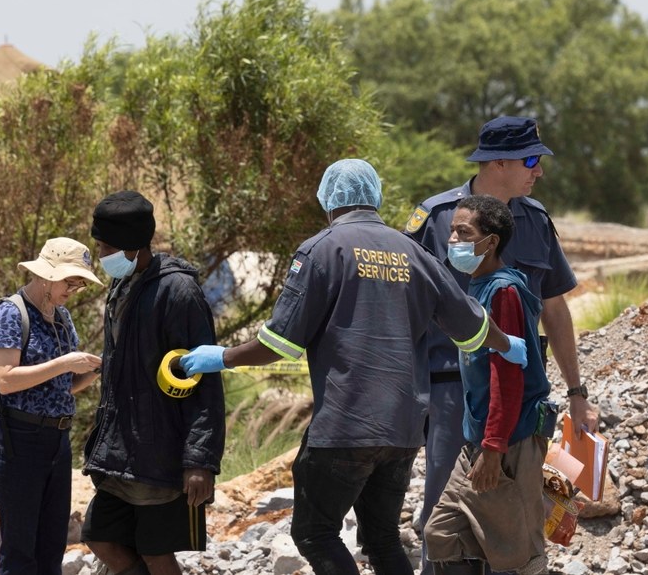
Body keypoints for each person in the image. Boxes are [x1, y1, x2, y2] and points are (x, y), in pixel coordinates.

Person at [178, 159, 528, 575]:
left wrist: (221, 357)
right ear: (375, 197)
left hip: (345, 425)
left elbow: (281, 342)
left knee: (314, 532)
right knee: (381, 538)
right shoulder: (414, 252)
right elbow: (470, 328)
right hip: (402, 429)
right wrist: (507, 344)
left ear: (329, 199)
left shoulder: (322, 249)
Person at [404, 116, 596, 572]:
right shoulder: (438, 219)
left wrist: (576, 390)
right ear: (498, 162)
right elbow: (405, 307)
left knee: (513, 510)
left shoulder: (535, 219)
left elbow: (555, 307)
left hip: (516, 392)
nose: (540, 171)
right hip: (451, 390)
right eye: (532, 160)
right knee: (445, 516)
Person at [81, 191, 225, 575]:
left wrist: (200, 461)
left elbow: (204, 382)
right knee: (100, 537)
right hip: (120, 452)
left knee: (156, 552)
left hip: (161, 454)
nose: (101, 255)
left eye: (106, 247)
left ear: (132, 247)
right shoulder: (122, 285)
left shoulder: (179, 293)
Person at [423, 195, 551, 575]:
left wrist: (494, 448)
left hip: (511, 440)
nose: (454, 241)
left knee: (520, 554)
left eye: (465, 233)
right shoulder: (475, 289)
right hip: (479, 439)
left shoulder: (503, 292)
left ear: (490, 242)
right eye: (452, 233)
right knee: (441, 533)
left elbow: (507, 376)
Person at [0, 237, 103, 575]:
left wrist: (95, 371)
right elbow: (6, 379)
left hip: (56, 440)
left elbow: (65, 387)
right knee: (21, 550)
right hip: (17, 439)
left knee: (52, 545)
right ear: (46, 275)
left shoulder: (63, 318)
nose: (74, 289)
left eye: (79, 284)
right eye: (70, 281)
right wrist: (66, 363)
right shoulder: (11, 312)